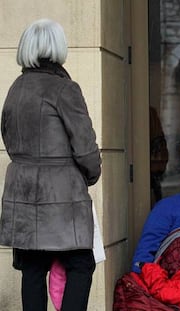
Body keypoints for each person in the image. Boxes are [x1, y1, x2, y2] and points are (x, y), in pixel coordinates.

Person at [0, 19, 101, 311]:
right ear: (58, 47)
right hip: (62, 197)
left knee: (32, 271)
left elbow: (10, 139)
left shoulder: (15, 89)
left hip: (22, 192)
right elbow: (85, 148)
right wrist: (90, 174)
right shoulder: (64, 89)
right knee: (81, 264)